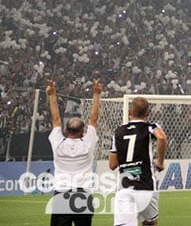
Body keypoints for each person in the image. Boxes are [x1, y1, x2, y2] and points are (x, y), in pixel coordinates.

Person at [46, 79, 102, 226]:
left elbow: (56, 119)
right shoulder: (88, 142)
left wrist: (52, 95)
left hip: (62, 194)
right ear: (83, 132)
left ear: (65, 130)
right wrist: (96, 94)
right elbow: (94, 119)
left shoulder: (58, 143)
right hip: (83, 195)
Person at [109, 96, 167, 226]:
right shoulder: (150, 127)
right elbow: (162, 138)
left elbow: (112, 165)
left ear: (130, 112)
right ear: (147, 114)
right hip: (146, 185)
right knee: (149, 222)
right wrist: (160, 162)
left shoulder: (118, 133)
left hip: (125, 186)